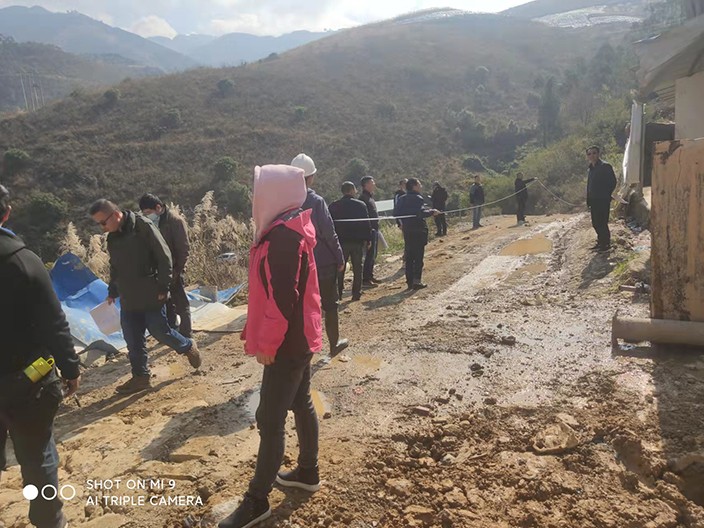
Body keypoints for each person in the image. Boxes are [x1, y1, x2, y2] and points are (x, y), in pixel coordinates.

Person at [218, 164, 323, 528]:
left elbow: (283, 298)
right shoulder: (289, 226)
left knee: (270, 420)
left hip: (287, 343)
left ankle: (256, 501)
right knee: (300, 400)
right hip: (299, 337)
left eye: (258, 190)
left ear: (275, 193)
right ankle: (307, 472)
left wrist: (268, 342)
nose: (254, 198)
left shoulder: (283, 236)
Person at [0, 184, 81, 528]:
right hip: (27, 382)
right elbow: (53, 321)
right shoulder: (23, 261)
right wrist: (70, 366)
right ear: (7, 212)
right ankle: (50, 521)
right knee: (37, 459)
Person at [89, 199, 201, 394]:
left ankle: (187, 346)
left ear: (115, 215)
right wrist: (112, 291)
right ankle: (140, 377)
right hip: (128, 296)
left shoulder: (143, 227)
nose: (102, 228)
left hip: (151, 293)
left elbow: (164, 256)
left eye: (103, 222)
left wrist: (163, 286)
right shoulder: (113, 238)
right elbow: (115, 266)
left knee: (160, 331)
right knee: (132, 339)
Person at [291, 153, 348, 356]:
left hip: (296, 264)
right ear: (311, 177)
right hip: (322, 262)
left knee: (302, 307)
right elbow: (329, 232)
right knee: (330, 304)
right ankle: (334, 344)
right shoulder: (316, 201)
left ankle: (304, 348)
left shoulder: (285, 201)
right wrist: (339, 258)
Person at [139, 193, 192, 338]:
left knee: (181, 304)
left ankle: (187, 334)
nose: (147, 216)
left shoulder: (175, 221)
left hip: (175, 269)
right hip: (161, 271)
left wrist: (176, 271)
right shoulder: (152, 223)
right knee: (167, 305)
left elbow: (183, 249)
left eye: (149, 213)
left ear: (158, 207)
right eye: (144, 214)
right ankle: (172, 333)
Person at [328, 181, 372, 301]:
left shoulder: (333, 206)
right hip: (357, 242)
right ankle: (356, 293)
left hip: (341, 242)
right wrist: (368, 239)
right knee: (358, 268)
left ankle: (339, 293)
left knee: (340, 268)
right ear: (352, 190)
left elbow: (329, 225)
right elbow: (366, 223)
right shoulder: (360, 205)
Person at [394, 178, 439, 290]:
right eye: (419, 184)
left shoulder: (401, 198)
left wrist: (402, 223)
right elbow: (420, 213)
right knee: (418, 257)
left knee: (409, 257)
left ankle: (409, 282)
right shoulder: (417, 198)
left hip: (407, 230)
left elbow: (396, 213)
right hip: (418, 230)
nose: (421, 186)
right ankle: (416, 281)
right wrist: (432, 212)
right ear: (414, 186)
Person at [586, 146, 617, 253]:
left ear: (598, 154)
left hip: (603, 199)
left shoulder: (605, 166)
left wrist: (606, 194)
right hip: (593, 200)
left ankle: (606, 244)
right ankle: (600, 242)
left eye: (594, 153)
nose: (592, 155)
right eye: (589, 154)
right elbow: (589, 185)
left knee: (602, 222)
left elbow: (613, 182)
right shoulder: (591, 168)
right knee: (595, 223)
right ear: (587, 156)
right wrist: (588, 200)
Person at [359, 175, 381, 286]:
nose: (374, 184)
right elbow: (364, 218)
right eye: (372, 182)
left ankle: (370, 275)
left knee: (373, 255)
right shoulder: (363, 199)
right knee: (368, 255)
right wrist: (366, 234)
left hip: (374, 230)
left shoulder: (370, 198)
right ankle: (366, 279)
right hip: (369, 231)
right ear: (366, 185)